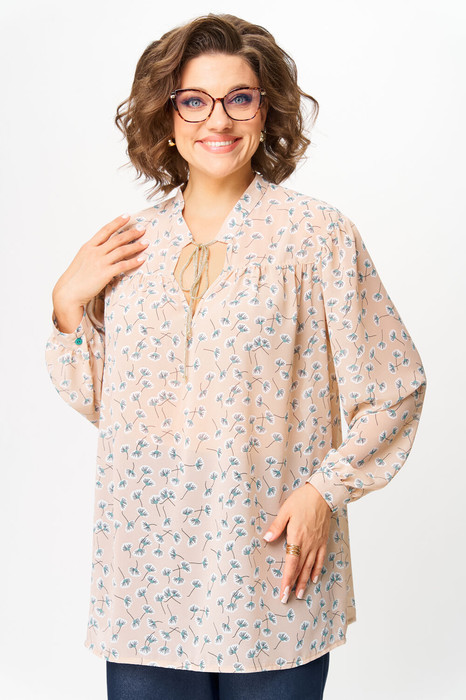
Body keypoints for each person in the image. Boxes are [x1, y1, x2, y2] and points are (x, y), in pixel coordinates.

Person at [44, 13, 427, 700]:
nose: (217, 119)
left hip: (272, 573)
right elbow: (109, 406)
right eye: (194, 100)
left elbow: (395, 385)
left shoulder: (316, 236)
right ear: (166, 117)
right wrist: (68, 302)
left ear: (265, 110)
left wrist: (324, 491)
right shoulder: (130, 246)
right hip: (147, 581)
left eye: (239, 98)